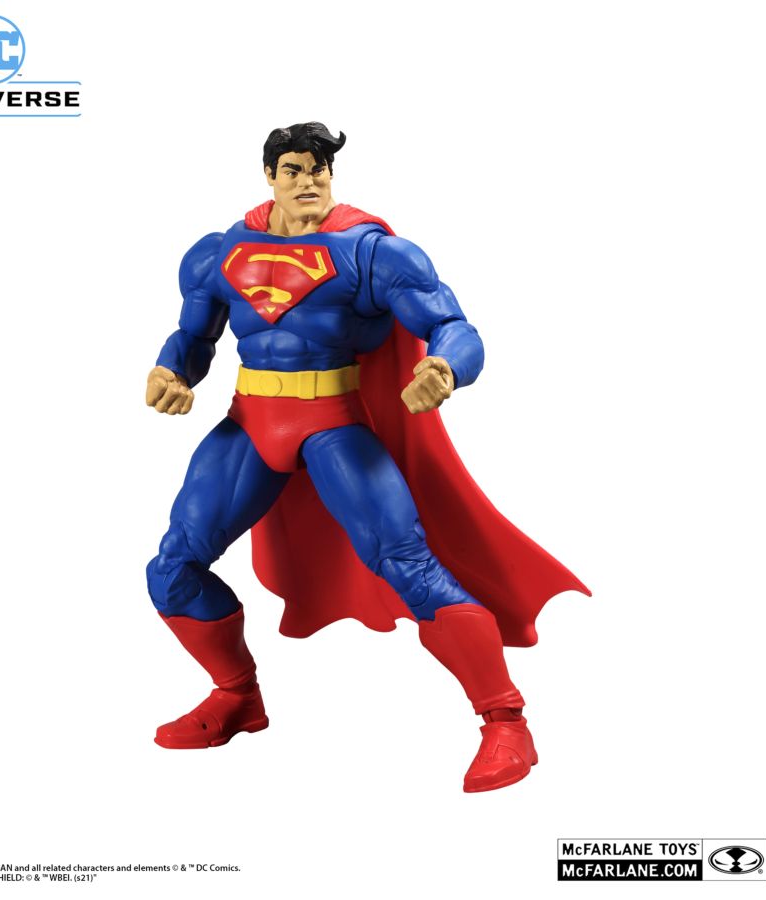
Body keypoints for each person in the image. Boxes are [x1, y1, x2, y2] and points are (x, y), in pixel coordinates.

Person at [146, 122, 588, 792]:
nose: (308, 181)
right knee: (173, 566)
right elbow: (192, 335)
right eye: (294, 169)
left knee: (409, 565)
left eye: (319, 169)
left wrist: (445, 367)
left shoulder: (371, 253)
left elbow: (454, 326)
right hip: (250, 423)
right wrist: (170, 372)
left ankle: (506, 721)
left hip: (333, 423)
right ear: (269, 176)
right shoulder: (218, 253)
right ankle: (237, 695)